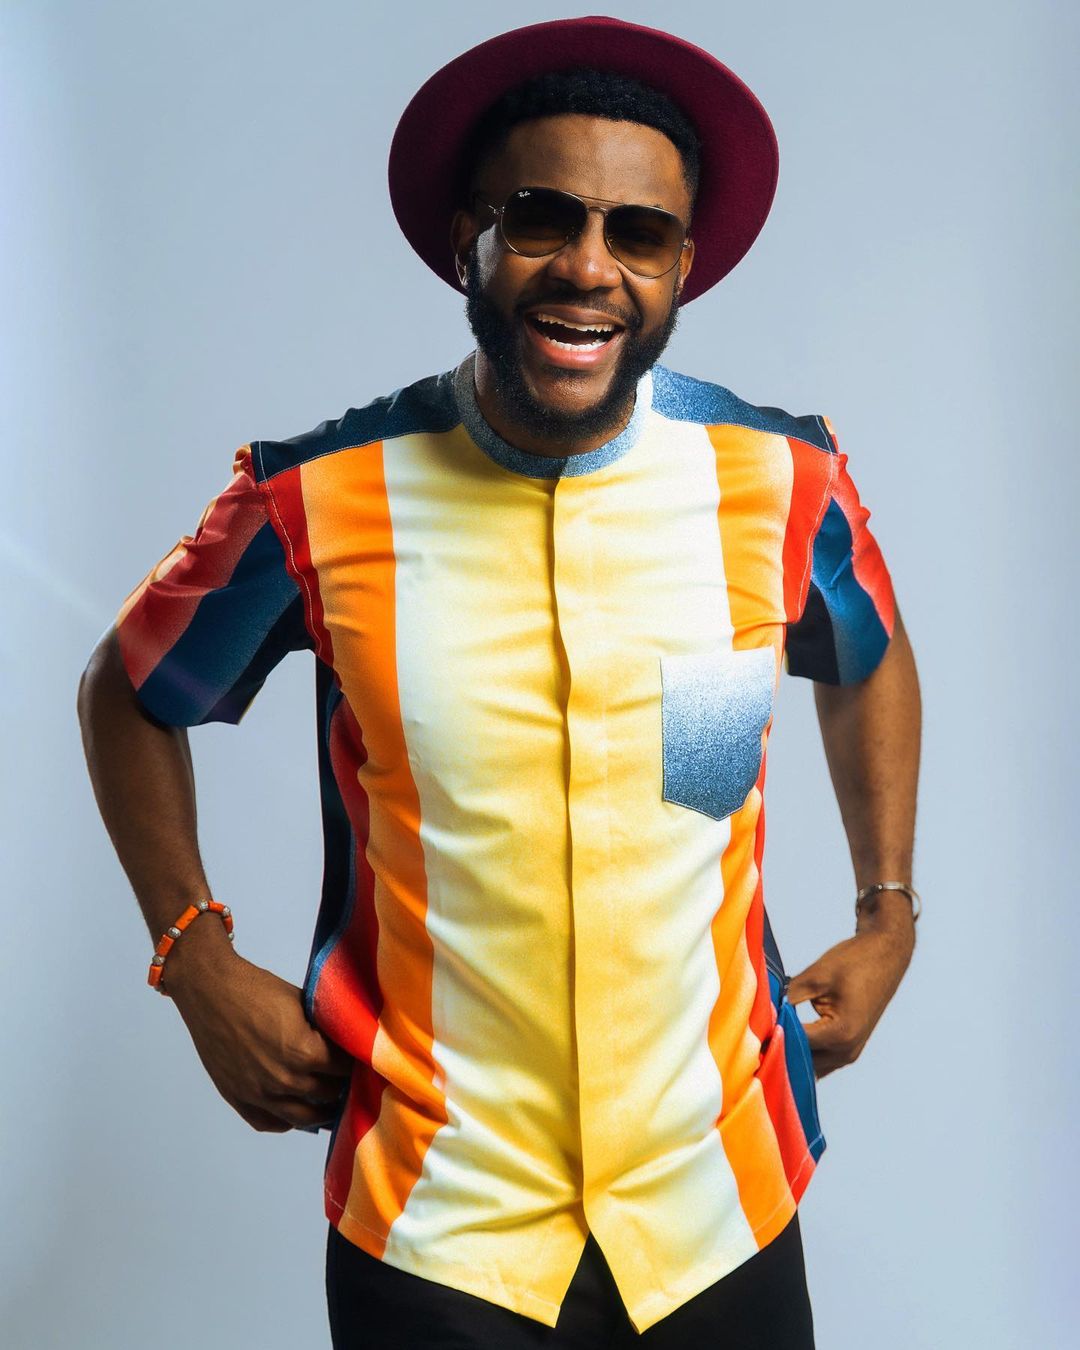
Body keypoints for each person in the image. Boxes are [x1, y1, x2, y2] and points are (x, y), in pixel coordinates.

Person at [78, 16, 921, 1349]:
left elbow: (868, 656)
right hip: (439, 1233)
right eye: (542, 218)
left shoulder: (782, 479)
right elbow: (126, 691)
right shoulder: (317, 499)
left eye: (638, 234)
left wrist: (888, 910)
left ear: (682, 265)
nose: (588, 267)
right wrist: (193, 957)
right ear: (469, 235)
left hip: (721, 1201)